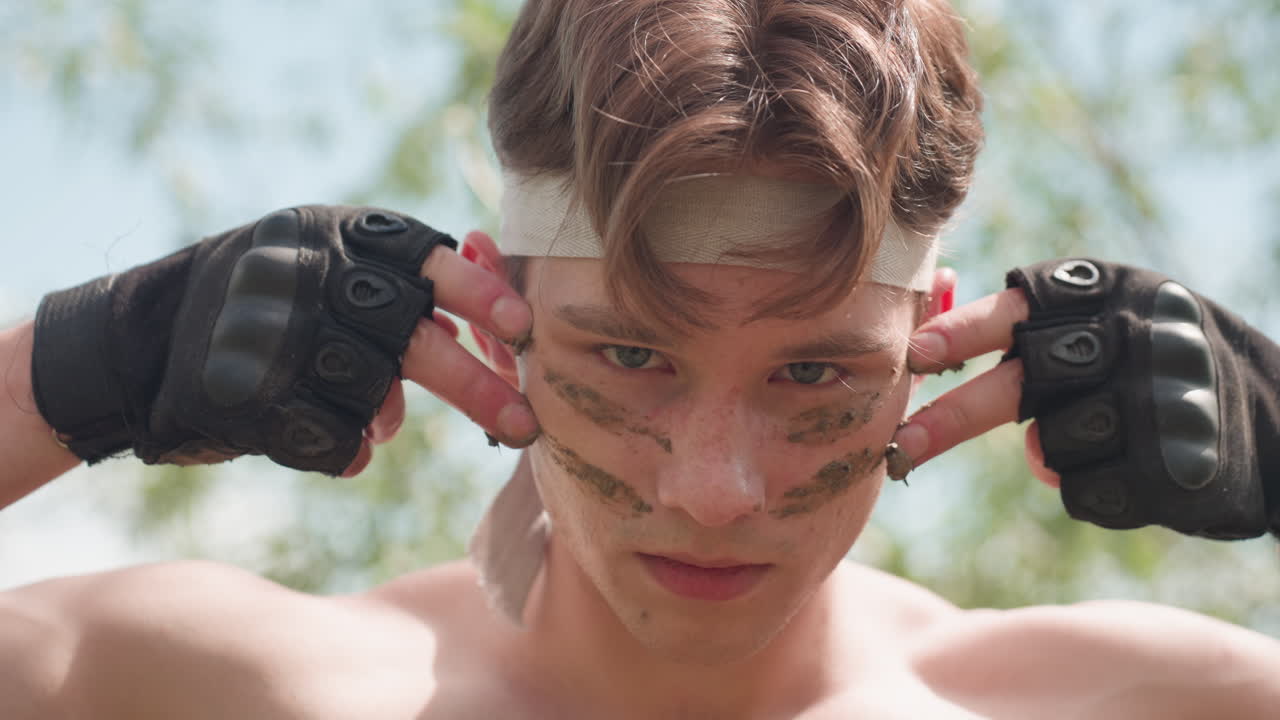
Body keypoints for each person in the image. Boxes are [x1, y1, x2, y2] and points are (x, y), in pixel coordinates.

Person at [3, 0, 1280, 718]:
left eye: (812, 374)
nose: (713, 490)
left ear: (925, 342)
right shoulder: (225, 693)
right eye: (629, 354)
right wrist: (75, 372)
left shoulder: (1133, 708)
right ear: (496, 304)